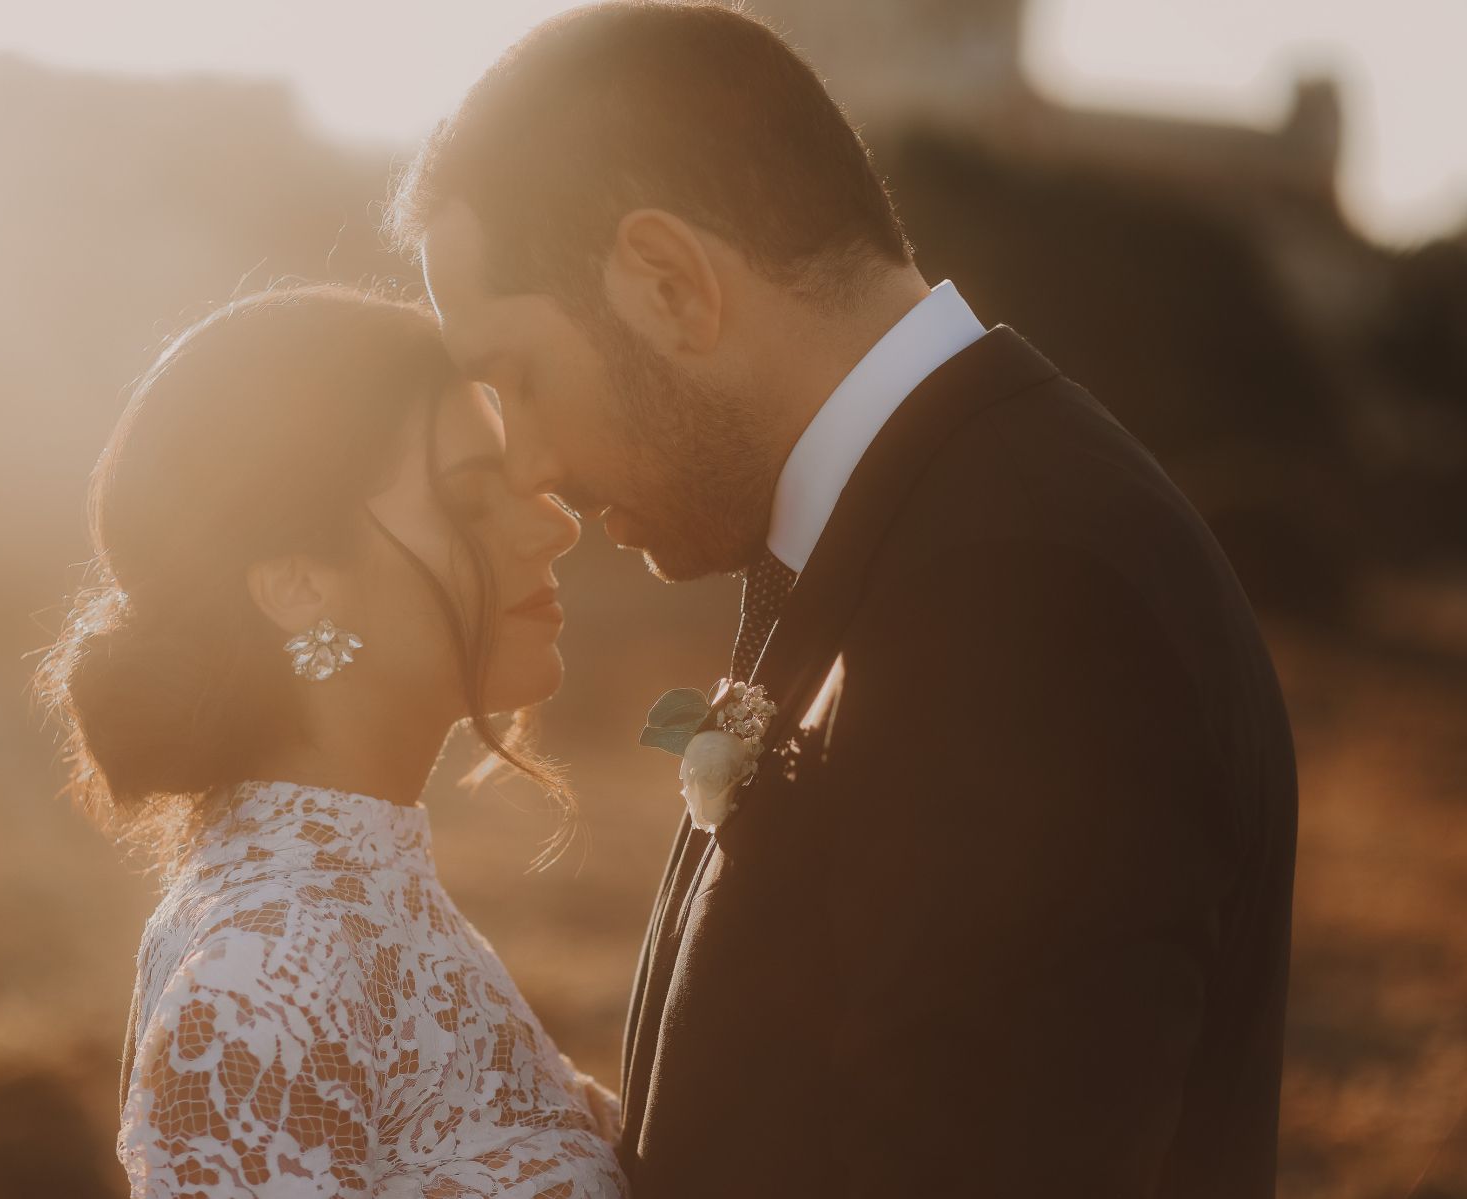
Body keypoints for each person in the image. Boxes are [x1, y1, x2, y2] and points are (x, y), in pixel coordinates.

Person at [391, 4, 1299, 1196]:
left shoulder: (1031, 599)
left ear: (670, 284)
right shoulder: (922, 525)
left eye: (519, 375)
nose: (529, 465)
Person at [36, 286, 626, 1197]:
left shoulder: (373, 901)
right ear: (297, 584)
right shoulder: (259, 981)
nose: (555, 524)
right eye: (473, 500)